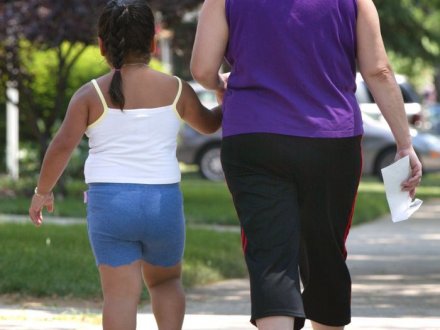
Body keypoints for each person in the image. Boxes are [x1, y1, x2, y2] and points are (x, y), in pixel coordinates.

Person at [190, 0, 422, 329]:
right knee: (325, 252)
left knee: (270, 256)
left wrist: (222, 85)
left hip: (254, 136)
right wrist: (404, 143)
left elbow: (201, 70)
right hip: (331, 139)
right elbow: (379, 71)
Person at [28, 1, 222, 329]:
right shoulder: (176, 89)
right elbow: (209, 125)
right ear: (152, 42)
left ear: (102, 45)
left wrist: (41, 192)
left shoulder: (90, 95)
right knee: (165, 282)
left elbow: (61, 146)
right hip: (163, 204)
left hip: (111, 205)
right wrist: (225, 99)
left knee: (120, 296)